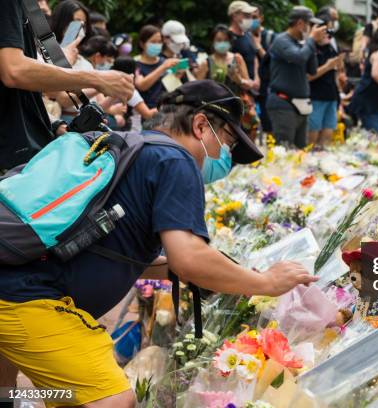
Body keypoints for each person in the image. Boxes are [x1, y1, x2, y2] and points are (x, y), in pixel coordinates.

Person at [0, 80, 316, 408]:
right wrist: (265, 282)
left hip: (11, 275)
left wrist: (216, 275)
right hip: (26, 298)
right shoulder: (176, 161)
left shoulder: (132, 146)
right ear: (200, 126)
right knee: (112, 399)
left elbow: (109, 245)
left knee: (8, 390)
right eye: (226, 140)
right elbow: (188, 259)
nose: (224, 153)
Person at [0, 0, 133, 172]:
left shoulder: (28, 10)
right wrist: (98, 78)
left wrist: (54, 126)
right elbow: (14, 71)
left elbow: (35, 89)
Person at [266, 6, 327, 147]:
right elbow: (298, 57)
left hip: (301, 104)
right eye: (310, 25)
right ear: (300, 24)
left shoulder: (303, 44)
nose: (313, 29)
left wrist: (311, 43)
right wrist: (311, 40)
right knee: (284, 151)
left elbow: (312, 70)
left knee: (300, 152)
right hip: (283, 103)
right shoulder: (281, 40)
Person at [201, 24, 259, 139]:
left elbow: (248, 85)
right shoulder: (206, 62)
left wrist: (238, 79)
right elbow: (198, 88)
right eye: (219, 40)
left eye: (226, 40)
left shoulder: (237, 59)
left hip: (237, 109)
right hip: (215, 110)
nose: (222, 43)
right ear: (212, 41)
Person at [308, 11, 342, 146]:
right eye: (325, 30)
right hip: (315, 96)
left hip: (331, 96)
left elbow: (336, 72)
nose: (328, 33)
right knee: (313, 135)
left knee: (329, 132)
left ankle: (323, 161)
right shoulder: (310, 49)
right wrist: (327, 67)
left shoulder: (330, 48)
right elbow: (308, 77)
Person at [135, 25, 180, 109]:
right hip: (148, 111)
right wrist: (163, 67)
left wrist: (178, 74)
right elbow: (141, 86)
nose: (157, 45)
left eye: (159, 42)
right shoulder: (137, 65)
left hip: (167, 108)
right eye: (153, 42)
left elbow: (172, 85)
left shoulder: (164, 61)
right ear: (142, 44)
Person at [111, 56, 157, 132]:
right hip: (131, 131)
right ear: (133, 72)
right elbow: (147, 114)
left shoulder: (109, 86)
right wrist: (166, 106)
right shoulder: (129, 91)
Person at [251, 3, 276, 134]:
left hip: (267, 87)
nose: (252, 20)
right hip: (248, 87)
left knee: (268, 125)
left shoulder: (271, 37)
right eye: (249, 17)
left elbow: (274, 61)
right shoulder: (242, 37)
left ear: (261, 18)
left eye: (254, 16)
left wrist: (258, 46)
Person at [228, 1, 260, 92]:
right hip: (237, 89)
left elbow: (254, 57)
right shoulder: (227, 38)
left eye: (250, 16)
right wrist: (243, 81)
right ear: (234, 16)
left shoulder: (248, 35)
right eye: (246, 15)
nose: (250, 19)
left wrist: (257, 79)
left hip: (253, 88)